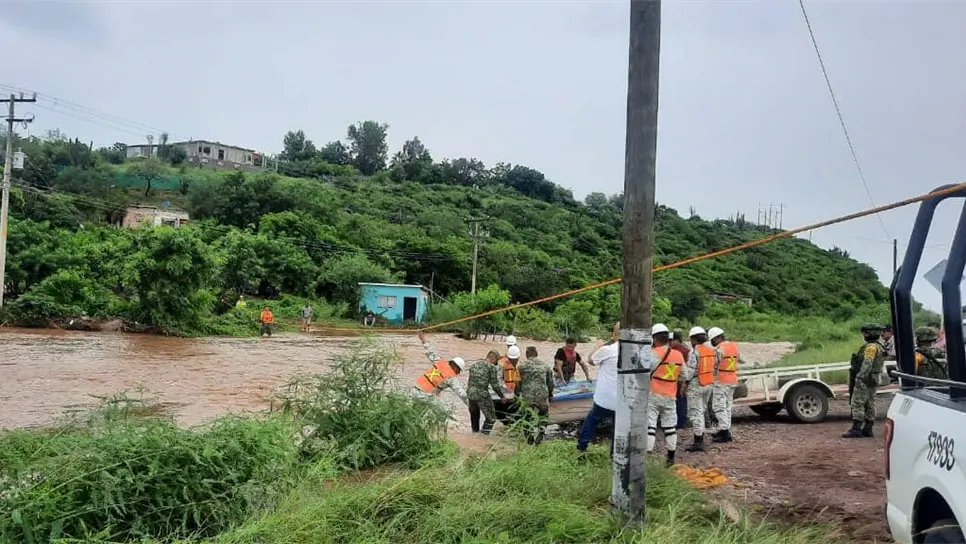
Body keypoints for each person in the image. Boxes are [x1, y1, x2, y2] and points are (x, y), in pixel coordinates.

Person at [576, 322, 620, 458]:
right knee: (618, 429)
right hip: (622, 400)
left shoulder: (608, 350)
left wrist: (597, 347)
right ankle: (614, 456)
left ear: (614, 333)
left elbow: (590, 360)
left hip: (604, 398)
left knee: (591, 420)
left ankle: (582, 447)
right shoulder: (633, 351)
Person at [648, 323, 686, 467]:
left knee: (650, 426)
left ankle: (647, 456)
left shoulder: (654, 353)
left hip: (654, 393)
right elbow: (685, 374)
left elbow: (644, 370)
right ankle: (670, 458)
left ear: (655, 338)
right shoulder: (678, 354)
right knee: (670, 428)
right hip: (671, 395)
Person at [707, 326, 753, 444]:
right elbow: (741, 360)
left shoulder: (719, 350)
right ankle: (725, 429)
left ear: (717, 338)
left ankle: (724, 432)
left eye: (712, 339)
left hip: (721, 381)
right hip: (732, 379)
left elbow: (713, 365)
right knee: (727, 407)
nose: (711, 342)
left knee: (718, 407)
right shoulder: (733, 346)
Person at [843, 323, 886, 438]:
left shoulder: (871, 347)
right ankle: (868, 428)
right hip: (873, 377)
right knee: (870, 403)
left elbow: (867, 362)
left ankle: (856, 429)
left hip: (865, 378)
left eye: (866, 332)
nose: (864, 335)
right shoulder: (879, 346)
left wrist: (860, 376)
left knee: (857, 402)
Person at [683, 326, 719, 453]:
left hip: (696, 384)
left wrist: (685, 384)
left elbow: (691, 371)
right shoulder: (711, 350)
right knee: (702, 410)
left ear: (694, 339)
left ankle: (698, 441)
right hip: (708, 383)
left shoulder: (695, 352)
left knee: (696, 413)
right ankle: (700, 437)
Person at [412, 331, 469, 406]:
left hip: (414, 390)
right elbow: (461, 394)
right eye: (459, 371)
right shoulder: (452, 378)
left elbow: (430, 352)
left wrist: (423, 340)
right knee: (446, 414)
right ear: (456, 368)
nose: (458, 373)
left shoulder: (439, 363)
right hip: (426, 396)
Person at [515, 346, 555, 445]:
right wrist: (550, 394)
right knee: (543, 415)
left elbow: (518, 382)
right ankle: (540, 434)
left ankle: (529, 437)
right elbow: (550, 383)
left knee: (526, 416)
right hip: (541, 395)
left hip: (527, 395)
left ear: (526, 355)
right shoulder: (545, 366)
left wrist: (517, 394)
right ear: (536, 354)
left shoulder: (521, 366)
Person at [466, 350, 506, 434]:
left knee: (475, 417)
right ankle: (484, 436)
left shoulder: (474, 365)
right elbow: (495, 385)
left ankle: (475, 435)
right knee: (491, 418)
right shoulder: (491, 367)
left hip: (470, 394)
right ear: (493, 359)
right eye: (496, 361)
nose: (496, 364)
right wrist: (501, 396)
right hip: (481, 394)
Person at [670, 331, 691, 429]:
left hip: (677, 379)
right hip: (682, 379)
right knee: (681, 401)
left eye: (671, 340)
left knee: (678, 402)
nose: (670, 342)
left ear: (676, 340)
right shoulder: (687, 350)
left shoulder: (675, 351)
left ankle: (679, 422)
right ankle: (682, 421)